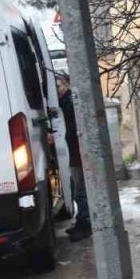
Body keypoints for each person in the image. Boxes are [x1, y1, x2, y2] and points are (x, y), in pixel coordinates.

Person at [55, 73, 91, 242]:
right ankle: (81, 221)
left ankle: (85, 225)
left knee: (80, 191)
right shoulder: (63, 103)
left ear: (67, 85)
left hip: (77, 152)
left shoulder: (70, 103)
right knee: (78, 189)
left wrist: (56, 136)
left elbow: (73, 128)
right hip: (74, 153)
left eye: (59, 86)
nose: (57, 90)